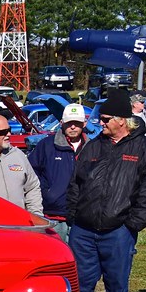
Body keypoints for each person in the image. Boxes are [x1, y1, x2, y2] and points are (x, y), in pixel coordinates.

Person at [67, 89, 146, 292]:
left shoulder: (142, 148)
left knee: (117, 283)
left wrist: (133, 224)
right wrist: (73, 215)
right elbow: (75, 183)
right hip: (84, 230)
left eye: (106, 118)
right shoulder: (93, 146)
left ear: (122, 120)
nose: (101, 122)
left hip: (118, 230)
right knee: (81, 282)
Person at [28, 103, 89, 241]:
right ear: (61, 122)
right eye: (69, 123)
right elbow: (31, 173)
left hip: (82, 217)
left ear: (84, 123)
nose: (73, 127)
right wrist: (47, 193)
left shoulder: (92, 147)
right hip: (52, 215)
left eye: (77, 123)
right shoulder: (46, 145)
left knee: (79, 259)